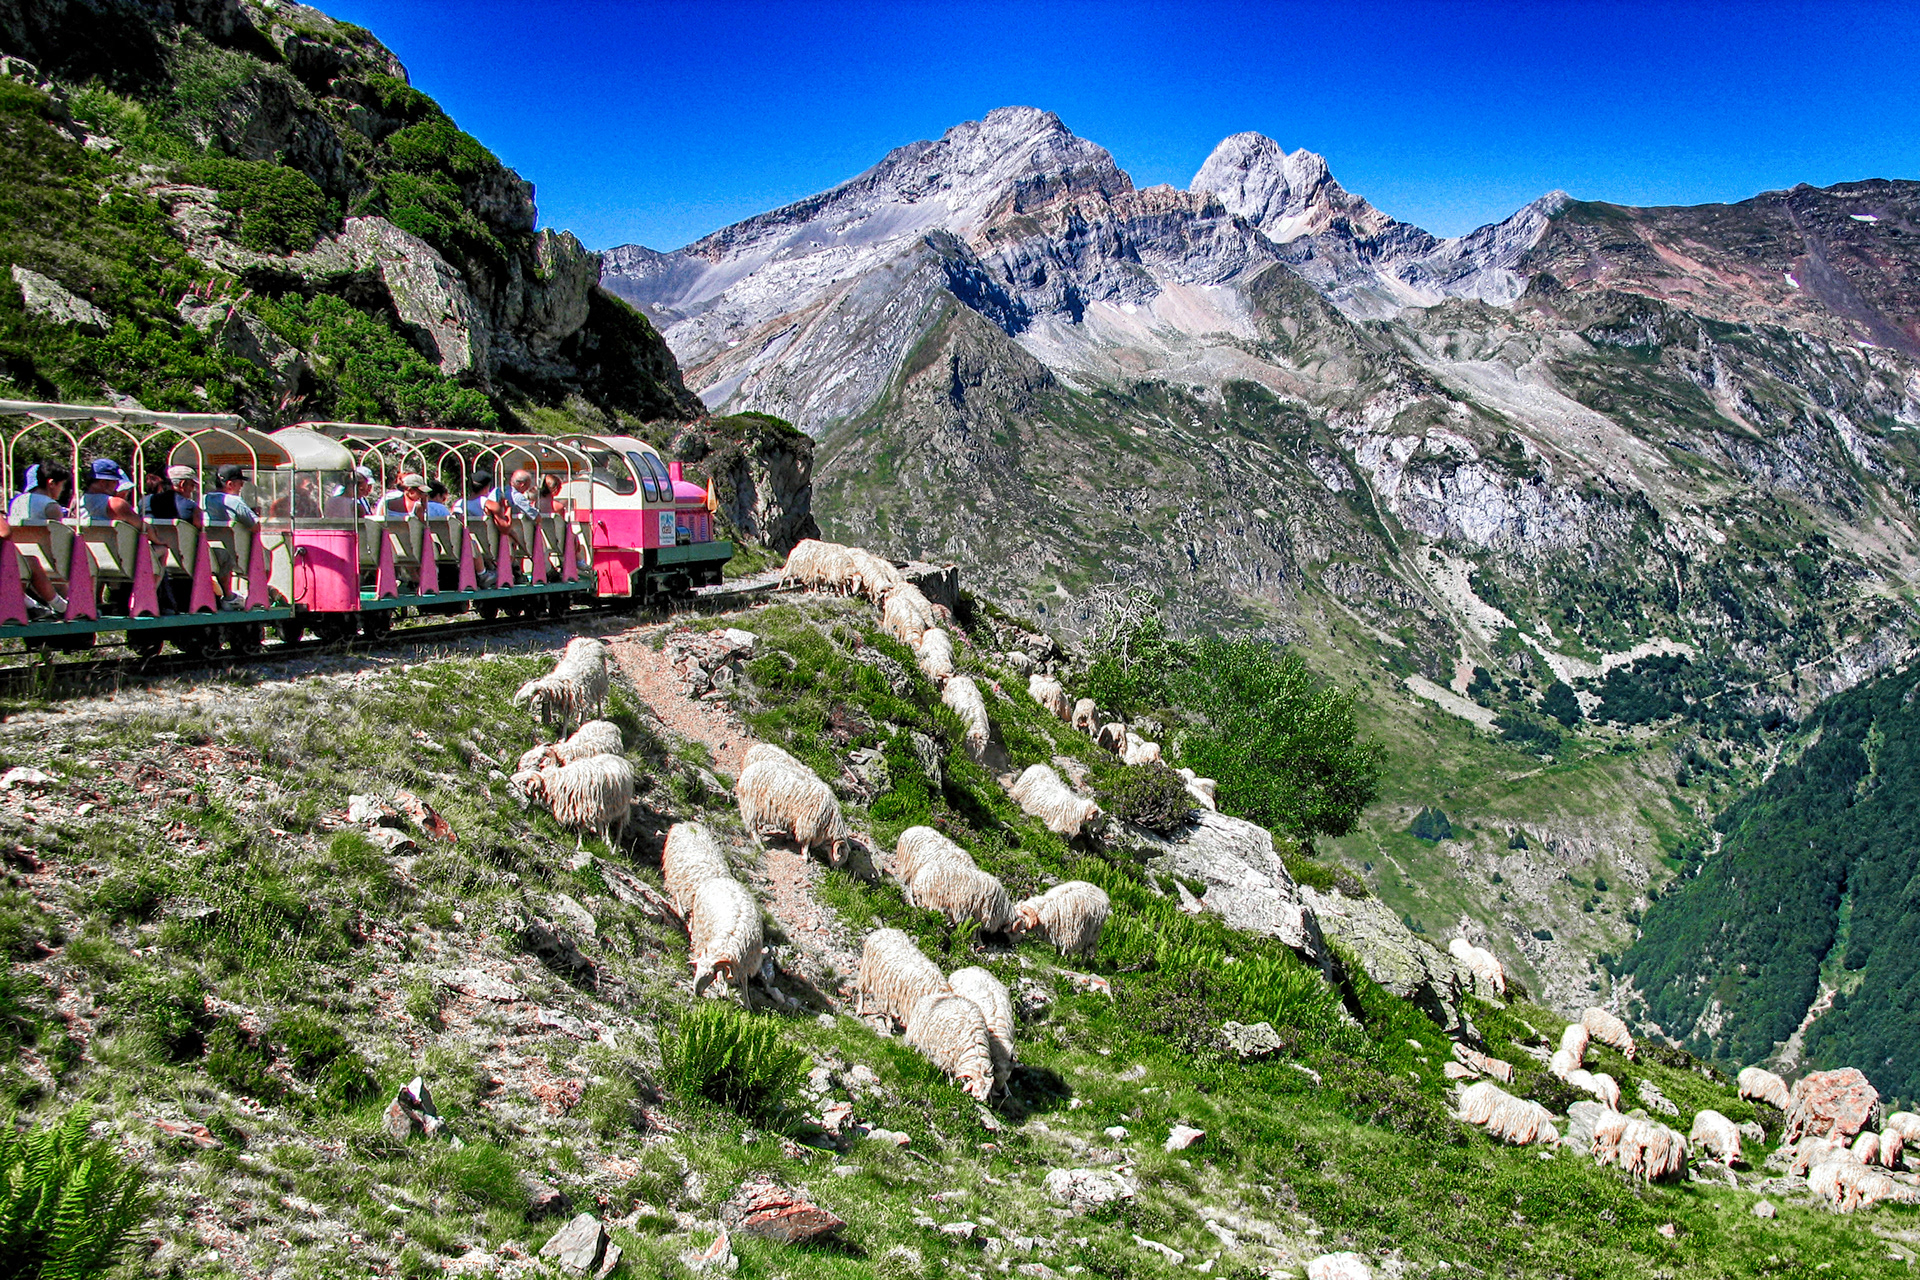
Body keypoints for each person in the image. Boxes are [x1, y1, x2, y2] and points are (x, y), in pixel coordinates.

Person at [6, 464, 70, 618]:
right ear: (51, 483)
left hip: (21, 556)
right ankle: (66, 605)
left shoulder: (16, 502)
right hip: (48, 560)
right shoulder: (51, 506)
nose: (61, 490)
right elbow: (58, 537)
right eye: (62, 485)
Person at [205, 464, 259, 611]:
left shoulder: (204, 499)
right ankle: (256, 594)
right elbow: (255, 526)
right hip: (235, 555)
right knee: (264, 554)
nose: (242, 485)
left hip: (209, 552)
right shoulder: (234, 501)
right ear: (230, 484)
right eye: (240, 482)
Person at [80, 460, 144, 528]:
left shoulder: (77, 503)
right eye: (115, 482)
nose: (117, 485)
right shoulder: (116, 503)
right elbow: (142, 527)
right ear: (103, 482)